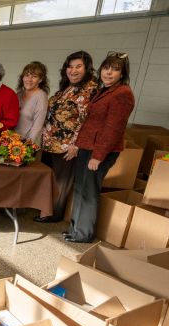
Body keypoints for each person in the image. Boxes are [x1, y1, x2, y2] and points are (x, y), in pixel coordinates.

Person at [65, 52, 134, 243]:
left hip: (100, 151)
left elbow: (113, 129)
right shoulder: (104, 90)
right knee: (80, 189)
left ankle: (83, 234)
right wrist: (79, 145)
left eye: (115, 69)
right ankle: (74, 229)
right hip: (88, 147)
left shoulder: (123, 94)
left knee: (89, 192)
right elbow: (90, 122)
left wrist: (98, 156)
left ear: (123, 73)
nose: (109, 73)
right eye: (106, 68)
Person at [35, 51, 98, 223]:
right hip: (50, 143)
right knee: (48, 179)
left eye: (78, 67)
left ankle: (52, 214)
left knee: (59, 182)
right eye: (70, 67)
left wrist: (76, 145)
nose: (73, 71)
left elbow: (86, 120)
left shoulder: (89, 90)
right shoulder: (67, 87)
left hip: (66, 146)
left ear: (87, 68)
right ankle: (44, 209)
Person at [15, 61, 49, 145]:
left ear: (40, 80)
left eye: (34, 77)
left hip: (28, 143)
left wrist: (28, 145)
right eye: (27, 75)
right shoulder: (18, 94)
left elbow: (37, 126)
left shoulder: (41, 96)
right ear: (22, 77)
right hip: (13, 140)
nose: (29, 80)